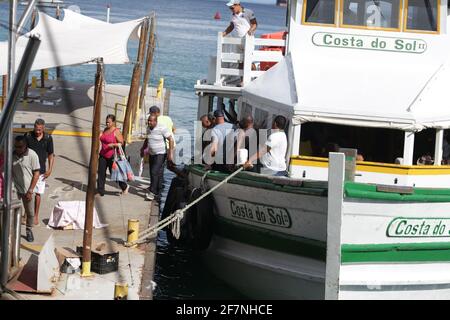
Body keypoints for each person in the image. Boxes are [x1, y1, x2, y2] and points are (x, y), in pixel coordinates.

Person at [24, 118, 54, 226]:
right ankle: (27, 214)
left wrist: (50, 169)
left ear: (43, 128)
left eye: (40, 130)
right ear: (34, 127)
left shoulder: (48, 138)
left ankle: (36, 215)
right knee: (27, 193)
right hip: (28, 170)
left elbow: (51, 155)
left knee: (38, 194)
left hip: (41, 171)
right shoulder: (27, 136)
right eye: (36, 129)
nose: (37, 132)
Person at [12, 136, 40, 242]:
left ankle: (28, 230)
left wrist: (30, 190)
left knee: (30, 213)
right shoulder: (12, 154)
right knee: (15, 212)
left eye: (20, 147)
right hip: (15, 189)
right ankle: (15, 231)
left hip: (28, 190)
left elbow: (36, 173)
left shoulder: (32, 155)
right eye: (16, 146)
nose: (18, 149)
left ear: (25, 146)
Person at [140, 114, 175, 201]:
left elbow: (170, 139)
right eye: (148, 121)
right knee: (156, 173)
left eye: (151, 121)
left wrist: (170, 153)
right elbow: (147, 139)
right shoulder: (148, 128)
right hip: (152, 153)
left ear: (155, 121)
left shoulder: (161, 128)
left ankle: (152, 192)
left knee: (154, 171)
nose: (149, 122)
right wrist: (143, 148)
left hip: (161, 153)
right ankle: (159, 192)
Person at [97, 114, 128, 197]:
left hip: (112, 156)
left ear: (113, 122)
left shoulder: (116, 131)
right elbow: (102, 138)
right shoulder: (104, 130)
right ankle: (100, 191)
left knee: (114, 174)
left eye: (109, 122)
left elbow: (121, 143)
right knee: (101, 173)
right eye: (106, 122)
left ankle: (124, 186)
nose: (107, 124)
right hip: (103, 154)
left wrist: (113, 145)